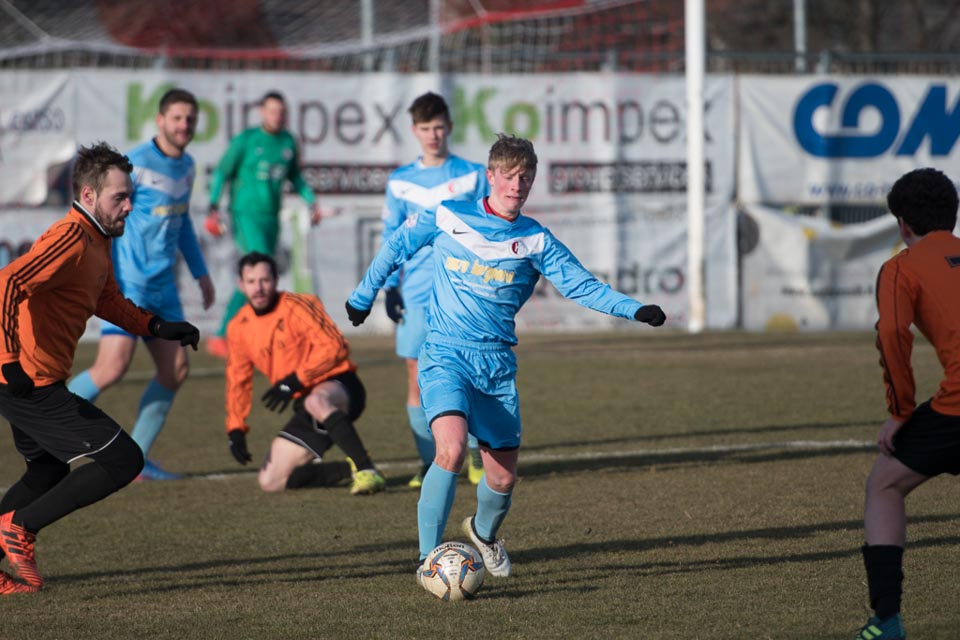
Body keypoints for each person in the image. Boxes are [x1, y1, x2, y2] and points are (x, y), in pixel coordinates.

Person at [345, 134, 666, 587]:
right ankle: (426, 560)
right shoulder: (448, 214)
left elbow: (582, 285)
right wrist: (363, 296)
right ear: (491, 176)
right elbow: (396, 245)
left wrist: (635, 309)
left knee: (502, 479)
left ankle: (483, 533)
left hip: (495, 367)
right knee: (451, 450)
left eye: (526, 178)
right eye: (510, 176)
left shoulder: (535, 240)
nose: (517, 186)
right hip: (445, 354)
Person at [0, 142, 200, 594]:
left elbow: (107, 300)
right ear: (89, 195)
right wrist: (9, 361)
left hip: (33, 377)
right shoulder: (70, 237)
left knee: (47, 471)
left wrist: (156, 326)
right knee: (124, 459)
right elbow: (8, 283)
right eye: (119, 197)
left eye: (131, 196)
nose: (129, 206)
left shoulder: (97, 239)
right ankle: (21, 527)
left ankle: (14, 530)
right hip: (25, 381)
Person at [67, 88, 214, 481]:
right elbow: (103, 214)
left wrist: (200, 273)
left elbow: (182, 223)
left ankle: (137, 461)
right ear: (160, 120)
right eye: (177, 118)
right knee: (111, 367)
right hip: (129, 286)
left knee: (175, 370)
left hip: (164, 289)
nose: (184, 125)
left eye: (190, 119)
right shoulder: (135, 164)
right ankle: (46, 422)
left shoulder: (188, 167)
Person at [856, 167, 960, 640]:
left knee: (884, 484)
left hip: (956, 409)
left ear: (903, 223)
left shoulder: (901, 267)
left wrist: (900, 412)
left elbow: (893, 333)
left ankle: (887, 620)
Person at [380, 92, 489, 489]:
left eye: (439, 127)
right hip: (416, 292)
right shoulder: (400, 181)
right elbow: (392, 236)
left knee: (469, 371)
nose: (433, 135)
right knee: (415, 374)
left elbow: (489, 228)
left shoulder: (473, 176)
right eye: (426, 128)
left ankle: (475, 453)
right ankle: (430, 461)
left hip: (463, 289)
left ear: (450, 128)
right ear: (414, 130)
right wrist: (389, 285)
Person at [224, 252, 386, 495]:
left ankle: (366, 470)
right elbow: (238, 379)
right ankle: (349, 468)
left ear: (276, 279)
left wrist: (296, 380)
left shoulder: (298, 305)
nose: (258, 288)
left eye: (265, 280)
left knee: (316, 401)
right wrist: (236, 428)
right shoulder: (238, 327)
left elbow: (336, 346)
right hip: (305, 402)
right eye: (251, 281)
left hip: (339, 386)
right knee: (271, 481)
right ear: (241, 285)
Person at [205, 91, 322, 360]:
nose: (276, 116)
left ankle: (235, 334)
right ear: (261, 112)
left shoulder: (288, 142)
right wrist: (213, 205)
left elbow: (295, 178)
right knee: (260, 270)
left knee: (257, 274)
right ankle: (229, 334)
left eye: (281, 112)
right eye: (271, 111)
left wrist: (311, 201)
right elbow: (222, 171)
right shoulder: (246, 140)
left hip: (271, 217)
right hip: (245, 214)